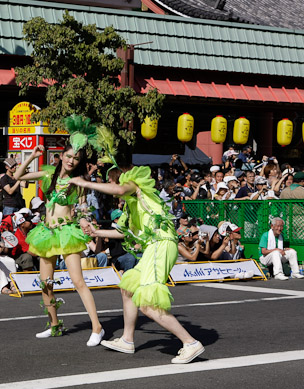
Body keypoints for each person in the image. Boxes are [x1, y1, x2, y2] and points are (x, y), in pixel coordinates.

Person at [71, 161, 206, 364]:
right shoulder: (132, 204)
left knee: (148, 304)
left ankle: (190, 343)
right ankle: (127, 339)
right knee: (128, 285)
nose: (110, 186)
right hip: (154, 246)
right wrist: (96, 232)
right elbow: (123, 232)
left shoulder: (135, 186)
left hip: (161, 244)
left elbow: (118, 188)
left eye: (110, 180)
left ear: (120, 178)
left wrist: (85, 183)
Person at [14, 123, 103, 346]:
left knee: (78, 281)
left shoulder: (79, 182)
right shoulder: (48, 173)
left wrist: (84, 220)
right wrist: (32, 155)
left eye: (76, 158)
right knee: (46, 283)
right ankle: (54, 326)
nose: (71, 161)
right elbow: (18, 175)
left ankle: (97, 327)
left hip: (67, 232)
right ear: (61, 155)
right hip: (46, 233)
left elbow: (83, 208)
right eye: (69, 156)